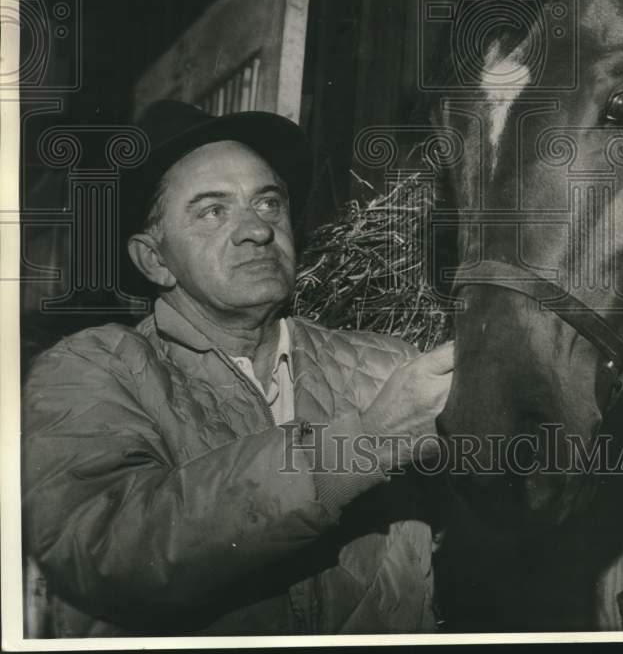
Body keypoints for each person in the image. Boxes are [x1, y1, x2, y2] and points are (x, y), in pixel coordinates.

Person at [22, 100, 454, 637]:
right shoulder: (90, 370)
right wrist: (363, 445)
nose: (257, 230)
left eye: (269, 203)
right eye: (212, 210)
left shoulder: (388, 364)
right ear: (155, 259)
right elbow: (106, 546)